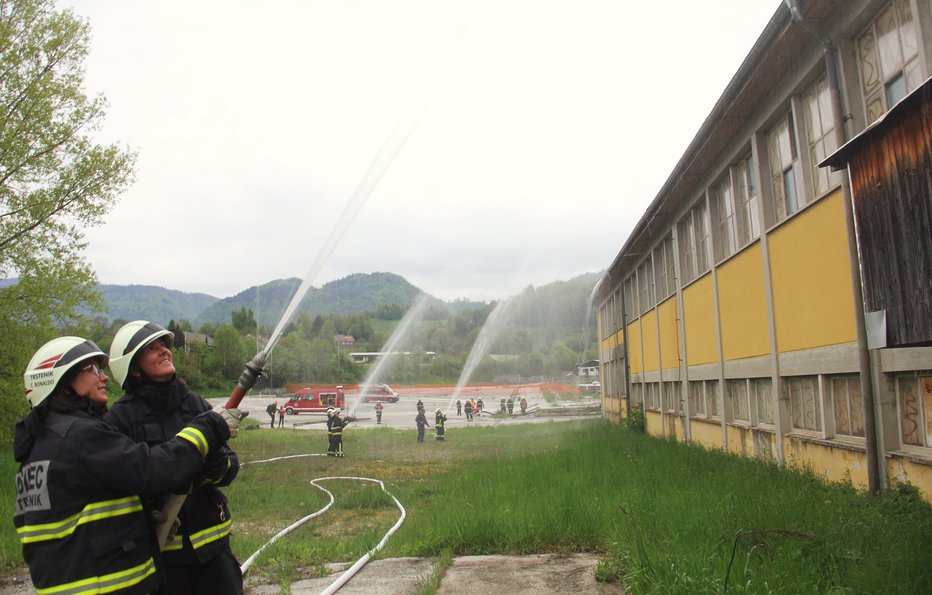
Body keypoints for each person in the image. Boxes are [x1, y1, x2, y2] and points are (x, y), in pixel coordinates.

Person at [14, 336, 236, 595]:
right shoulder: (82, 436)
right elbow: (151, 470)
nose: (104, 377)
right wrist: (208, 427)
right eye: (92, 369)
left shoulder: (37, 449)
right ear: (62, 382)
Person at [106, 321, 244, 595]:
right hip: (166, 562)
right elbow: (134, 477)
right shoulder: (119, 419)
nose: (164, 352)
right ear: (132, 367)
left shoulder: (194, 403)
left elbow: (230, 467)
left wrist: (214, 466)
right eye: (152, 348)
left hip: (215, 553)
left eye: (164, 346)